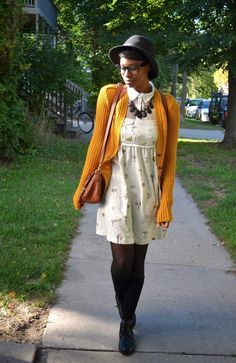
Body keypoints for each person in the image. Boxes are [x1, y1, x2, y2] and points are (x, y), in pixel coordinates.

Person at [73, 35, 180, 356]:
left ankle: (127, 322)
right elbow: (97, 147)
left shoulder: (166, 105)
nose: (126, 74)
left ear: (148, 67)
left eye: (133, 68)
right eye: (123, 68)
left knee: (137, 265)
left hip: (148, 192)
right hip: (117, 189)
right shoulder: (111, 96)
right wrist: (82, 188)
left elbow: (171, 158)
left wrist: (166, 202)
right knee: (121, 262)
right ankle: (125, 312)